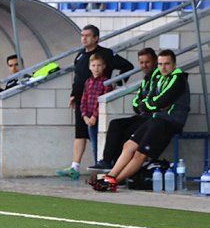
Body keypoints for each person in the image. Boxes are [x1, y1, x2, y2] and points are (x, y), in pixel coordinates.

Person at [94, 50, 189, 192]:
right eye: (160, 64)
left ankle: (113, 181)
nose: (163, 67)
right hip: (156, 119)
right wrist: (152, 105)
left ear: (174, 64)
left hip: (169, 122)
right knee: (128, 145)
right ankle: (110, 176)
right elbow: (149, 101)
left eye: (167, 64)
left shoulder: (178, 78)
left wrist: (152, 105)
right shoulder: (158, 77)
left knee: (140, 154)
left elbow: (162, 101)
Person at [57, 25, 132, 179]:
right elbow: (78, 77)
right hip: (82, 101)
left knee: (96, 135)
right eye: (82, 35)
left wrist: (116, 84)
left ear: (96, 38)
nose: (84, 38)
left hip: (98, 102)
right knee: (80, 133)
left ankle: (102, 163)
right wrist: (73, 94)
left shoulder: (105, 54)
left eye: (88, 35)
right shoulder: (80, 55)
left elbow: (127, 66)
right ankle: (75, 167)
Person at [92, 48, 158, 170]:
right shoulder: (146, 79)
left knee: (127, 132)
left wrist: (143, 105)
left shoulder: (158, 77)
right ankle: (107, 161)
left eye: (147, 62)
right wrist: (142, 105)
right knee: (116, 124)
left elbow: (153, 101)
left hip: (154, 118)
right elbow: (136, 103)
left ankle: (117, 166)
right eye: (141, 62)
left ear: (155, 61)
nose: (144, 65)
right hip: (143, 116)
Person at [80, 54, 111, 164]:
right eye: (93, 65)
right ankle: (96, 164)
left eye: (99, 65)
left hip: (98, 118)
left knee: (101, 143)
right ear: (89, 67)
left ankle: (101, 163)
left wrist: (94, 116)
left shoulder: (106, 82)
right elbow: (84, 99)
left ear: (104, 66)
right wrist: (84, 115)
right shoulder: (88, 82)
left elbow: (102, 102)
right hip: (89, 119)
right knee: (94, 144)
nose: (96, 68)